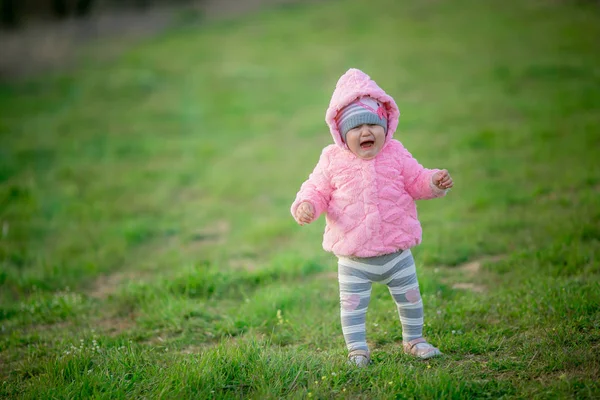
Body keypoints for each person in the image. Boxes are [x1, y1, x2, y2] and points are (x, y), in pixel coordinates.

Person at [290, 68, 454, 367]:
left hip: (396, 251)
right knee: (352, 307)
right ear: (341, 133)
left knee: (410, 298)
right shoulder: (332, 159)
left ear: (386, 125)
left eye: (372, 124)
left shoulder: (395, 153)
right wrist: (307, 205)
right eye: (356, 127)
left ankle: (414, 340)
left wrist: (433, 182)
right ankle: (357, 349)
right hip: (353, 257)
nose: (366, 132)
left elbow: (416, 180)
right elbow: (316, 188)